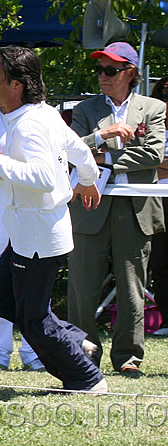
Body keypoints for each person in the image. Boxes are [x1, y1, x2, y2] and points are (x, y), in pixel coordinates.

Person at [0, 45, 107, 393]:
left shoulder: (30, 125)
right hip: (27, 232)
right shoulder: (43, 114)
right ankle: (77, 341)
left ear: (17, 84)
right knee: (0, 295)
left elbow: (46, 178)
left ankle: (86, 379)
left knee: (33, 321)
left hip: (39, 236)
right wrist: (88, 181)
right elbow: (79, 150)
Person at [67, 42, 166, 375]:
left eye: (111, 70)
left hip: (136, 209)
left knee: (132, 289)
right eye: (100, 70)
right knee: (82, 289)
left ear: (130, 73)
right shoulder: (84, 110)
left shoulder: (154, 108)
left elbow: (153, 155)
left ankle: (127, 358)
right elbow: (69, 150)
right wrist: (100, 136)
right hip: (89, 206)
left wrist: (102, 157)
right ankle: (82, 354)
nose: (103, 77)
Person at [0, 93, 44, 372]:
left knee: (35, 282)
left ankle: (37, 350)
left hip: (33, 209)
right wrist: (13, 164)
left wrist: (1, 161)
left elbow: (44, 169)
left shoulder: (41, 117)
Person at [150, 77, 168, 336]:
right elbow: (144, 159)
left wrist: (155, 163)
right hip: (155, 198)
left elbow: (150, 162)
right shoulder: (152, 127)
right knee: (161, 263)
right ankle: (166, 317)